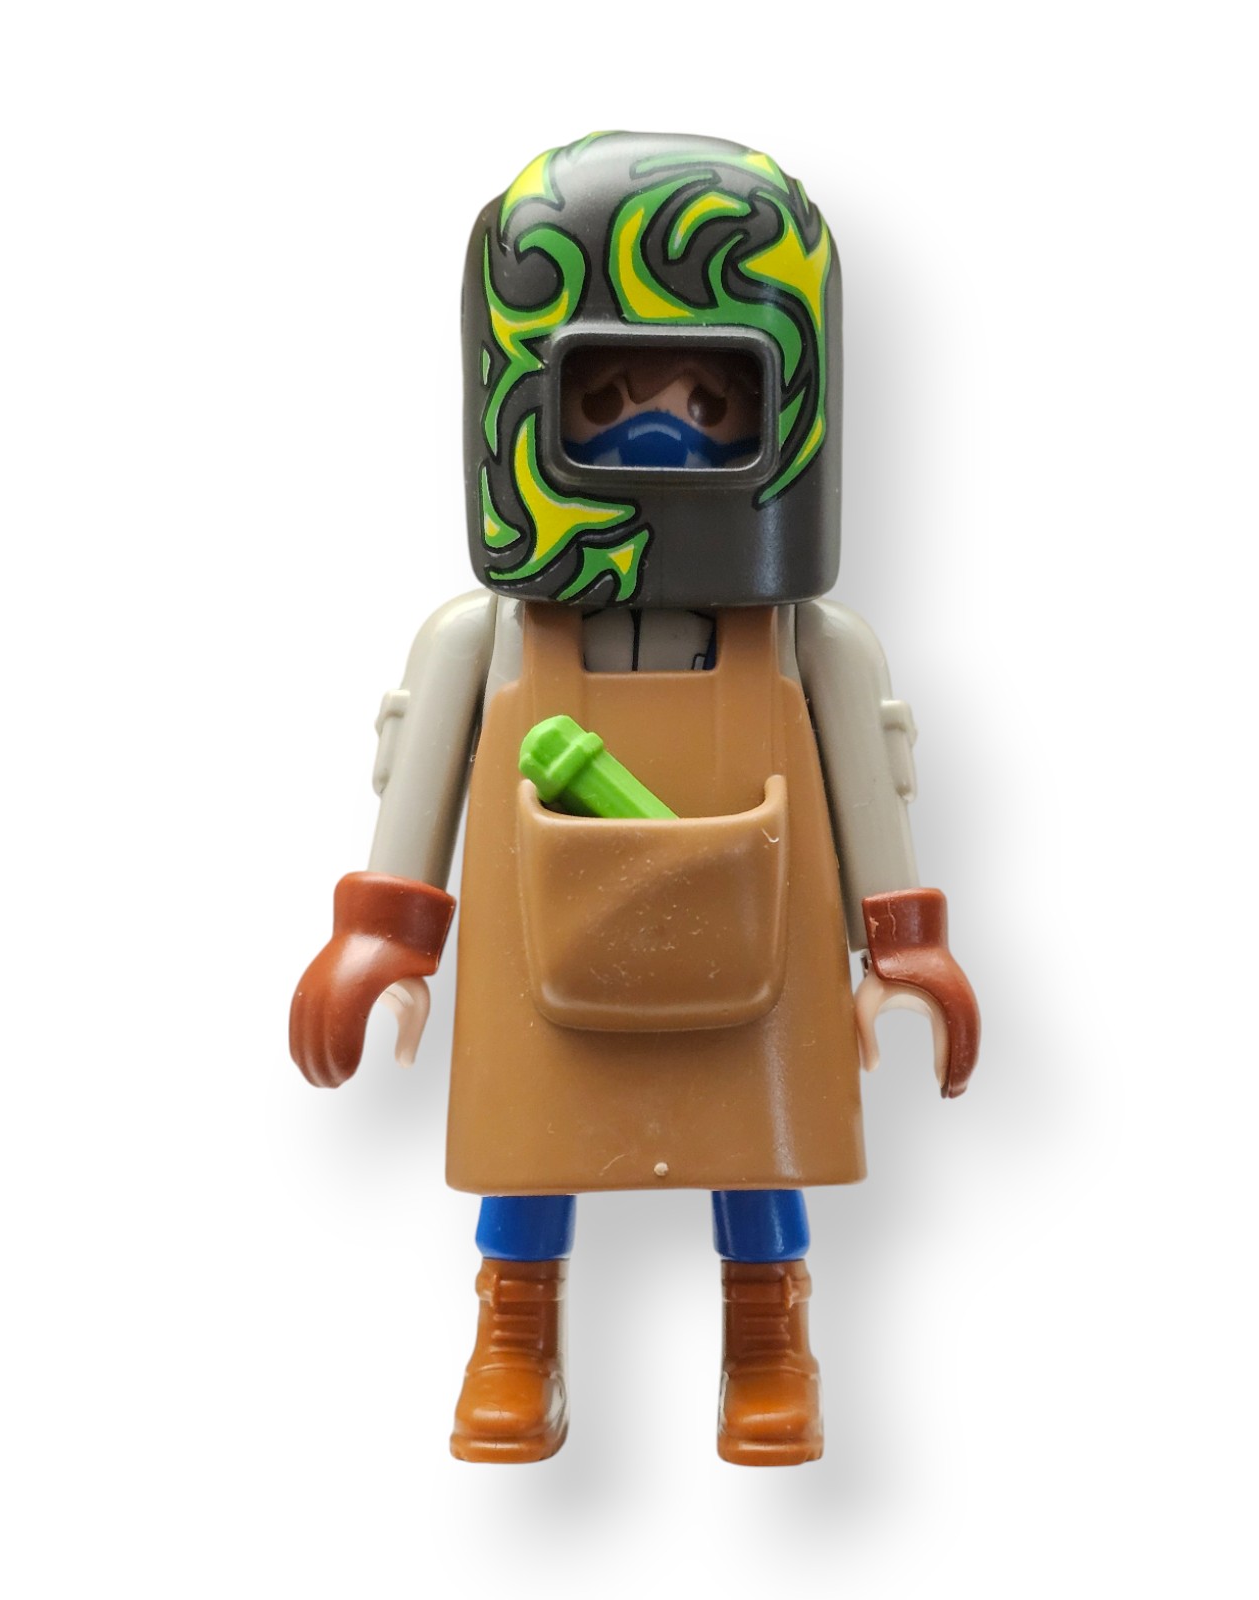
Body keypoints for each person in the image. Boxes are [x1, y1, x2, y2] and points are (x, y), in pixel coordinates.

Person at [289, 131, 979, 1466]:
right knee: (530, 1132)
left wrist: (906, 949)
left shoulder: (812, 644)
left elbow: (872, 778)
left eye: (709, 406)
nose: (657, 434)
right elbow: (417, 772)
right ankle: (514, 1325)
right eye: (607, 398)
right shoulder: (484, 638)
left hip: (758, 947)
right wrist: (381, 936)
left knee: (755, 1134)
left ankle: (768, 1333)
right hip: (544, 948)